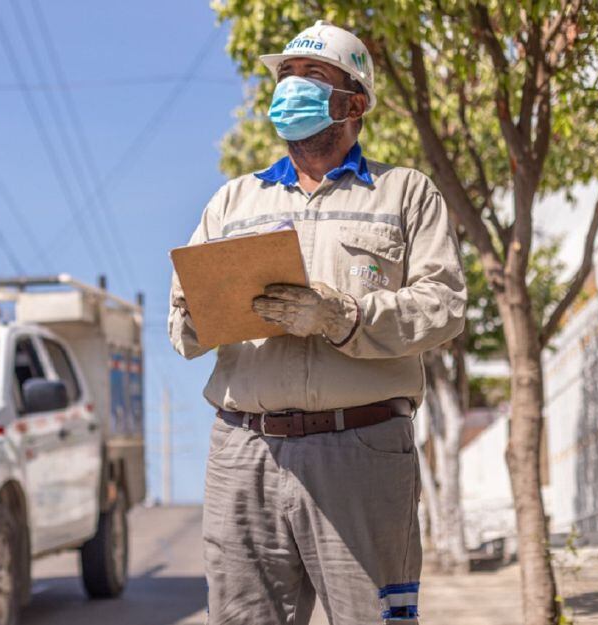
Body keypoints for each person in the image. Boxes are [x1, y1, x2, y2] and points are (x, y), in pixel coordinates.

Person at [168, 21, 466, 625]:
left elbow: (444, 305)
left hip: (362, 448)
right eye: (286, 77)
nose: (291, 89)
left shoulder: (405, 194)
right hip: (244, 451)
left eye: (312, 77)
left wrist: (343, 317)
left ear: (354, 103)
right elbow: (182, 322)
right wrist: (203, 314)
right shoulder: (233, 202)